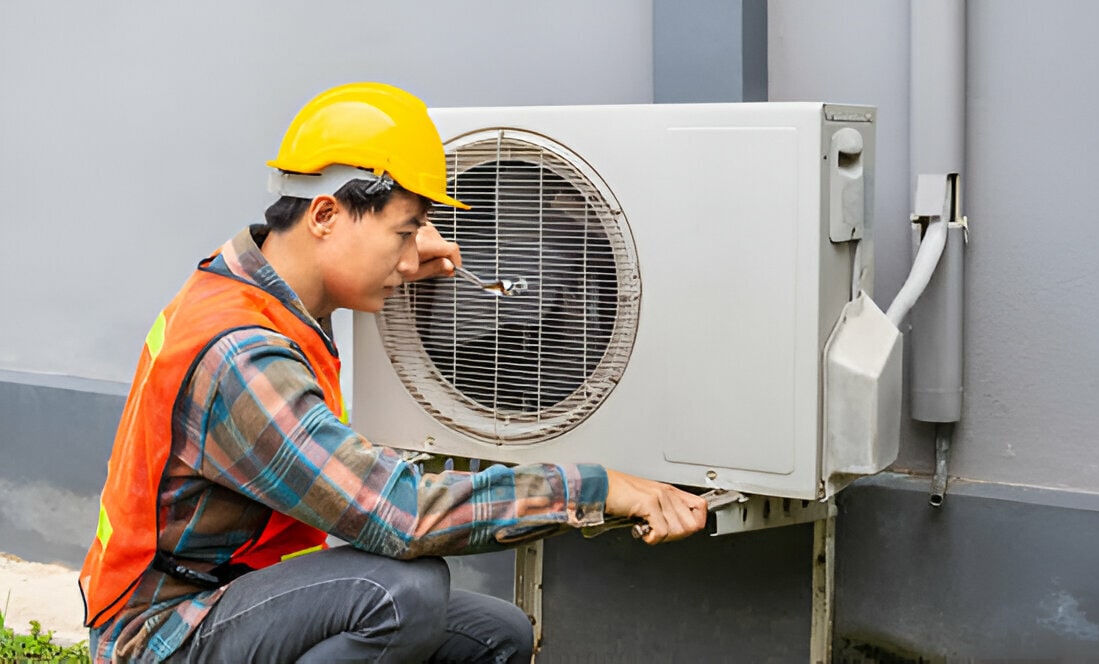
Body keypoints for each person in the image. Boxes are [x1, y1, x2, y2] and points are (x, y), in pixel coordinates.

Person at [78, 82, 707, 663]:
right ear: (325, 215)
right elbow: (400, 516)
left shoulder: (254, 284)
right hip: (163, 635)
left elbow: (345, 263)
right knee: (400, 590)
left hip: (237, 594)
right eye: (404, 232)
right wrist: (591, 488)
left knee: (498, 638)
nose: (413, 258)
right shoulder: (242, 354)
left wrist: (403, 246)